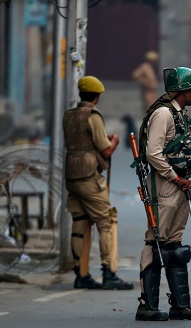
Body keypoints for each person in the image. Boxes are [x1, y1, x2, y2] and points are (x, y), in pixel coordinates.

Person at [134, 67, 191, 321]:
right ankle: (147, 305)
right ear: (182, 91)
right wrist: (175, 177)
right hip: (164, 184)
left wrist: (184, 179)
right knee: (155, 241)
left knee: (175, 246)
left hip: (180, 183)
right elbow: (153, 153)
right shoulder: (164, 114)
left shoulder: (180, 115)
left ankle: (180, 305)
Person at [63, 76, 133, 290]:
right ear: (98, 96)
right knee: (105, 221)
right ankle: (108, 273)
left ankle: (80, 274)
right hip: (88, 176)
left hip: (72, 174)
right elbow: (106, 150)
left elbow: (83, 141)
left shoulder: (70, 115)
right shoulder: (93, 116)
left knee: (80, 222)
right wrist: (114, 140)